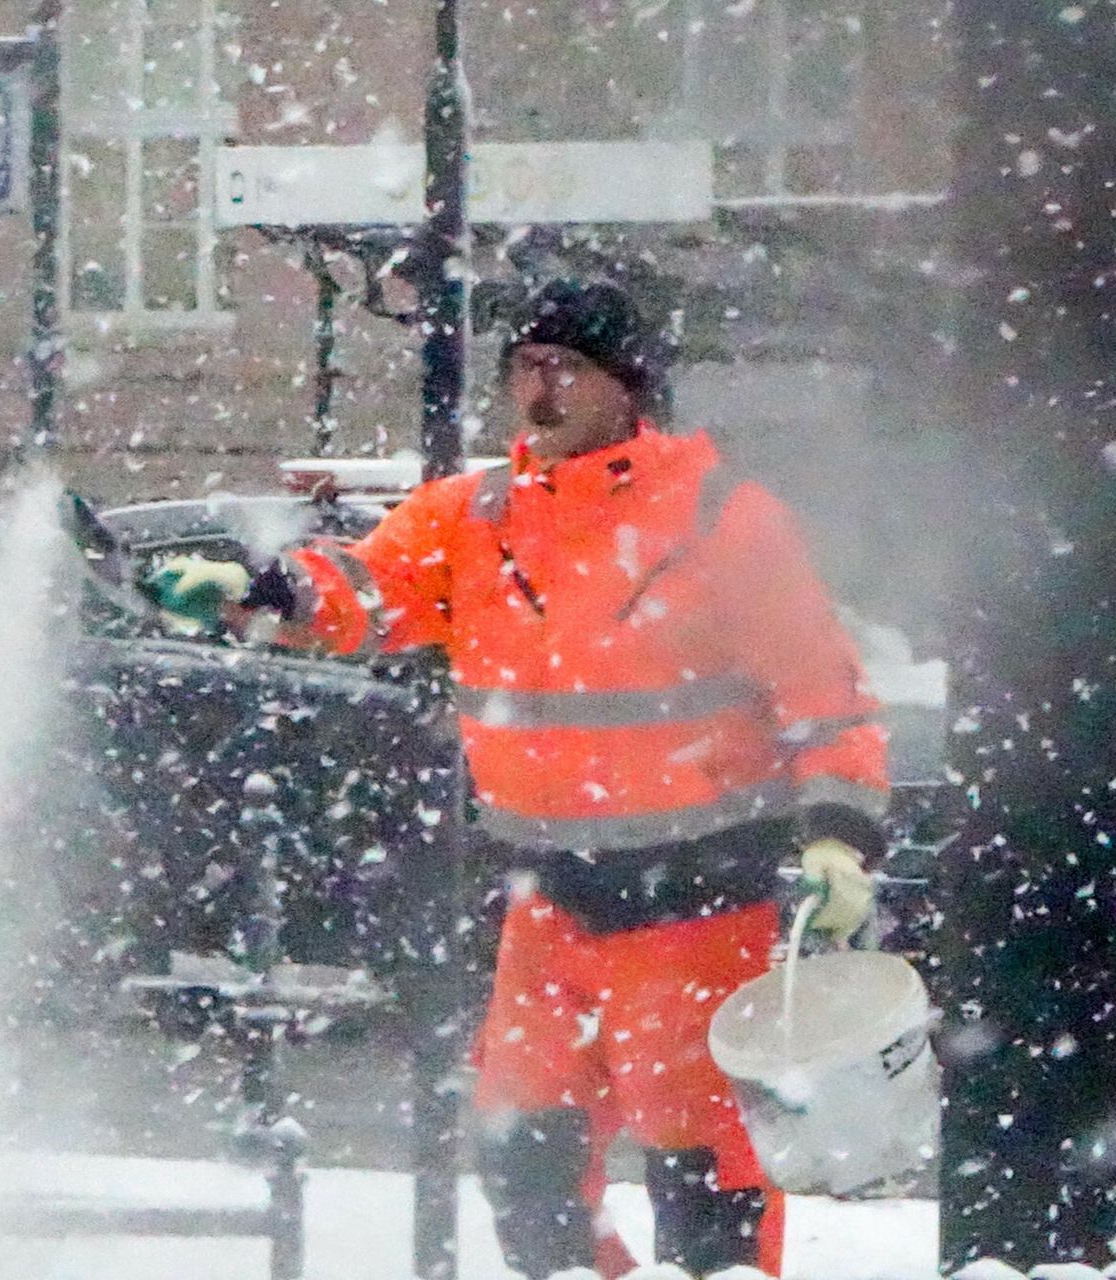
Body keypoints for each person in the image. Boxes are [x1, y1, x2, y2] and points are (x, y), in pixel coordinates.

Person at [147, 279, 890, 1278]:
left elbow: (825, 695)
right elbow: (366, 592)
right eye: (524, 367)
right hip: (547, 900)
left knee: (703, 1174)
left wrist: (839, 833)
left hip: (700, 900)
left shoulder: (723, 519)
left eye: (565, 368)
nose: (538, 391)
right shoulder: (472, 515)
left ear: (629, 387)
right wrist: (256, 591)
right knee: (526, 1161)